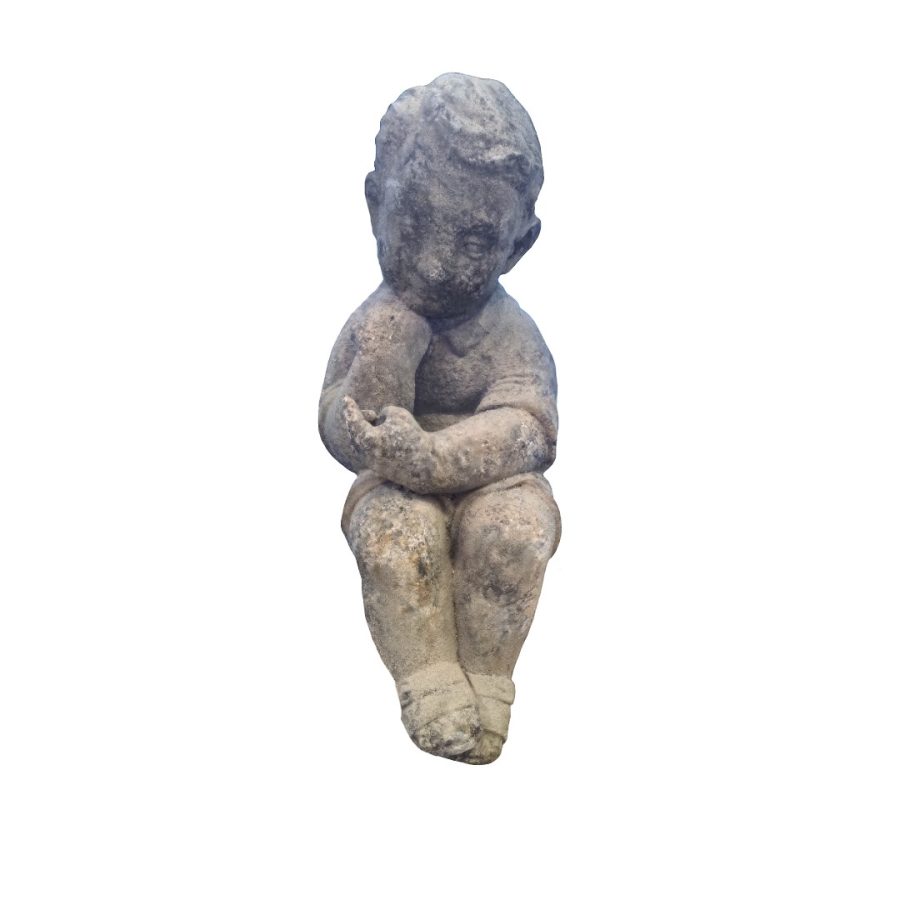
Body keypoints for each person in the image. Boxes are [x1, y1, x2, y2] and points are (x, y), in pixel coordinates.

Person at [319, 73, 561, 763]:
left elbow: (529, 427)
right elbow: (338, 419)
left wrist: (436, 458)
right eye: (415, 222)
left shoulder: (511, 333)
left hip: (497, 482)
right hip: (393, 485)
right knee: (397, 544)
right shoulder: (376, 321)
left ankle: (488, 676)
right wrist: (379, 368)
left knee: (513, 536)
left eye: (474, 241)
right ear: (376, 205)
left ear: (518, 246)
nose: (435, 263)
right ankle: (427, 680)